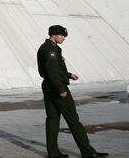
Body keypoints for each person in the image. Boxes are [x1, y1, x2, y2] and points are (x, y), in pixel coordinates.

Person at [37, 25, 108, 158]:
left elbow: (53, 69)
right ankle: (88, 153)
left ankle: (53, 153)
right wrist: (61, 89)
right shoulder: (49, 50)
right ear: (53, 35)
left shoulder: (51, 48)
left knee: (52, 120)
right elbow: (52, 72)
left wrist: (68, 75)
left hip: (49, 86)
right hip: (56, 88)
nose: (64, 38)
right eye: (62, 35)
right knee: (74, 121)